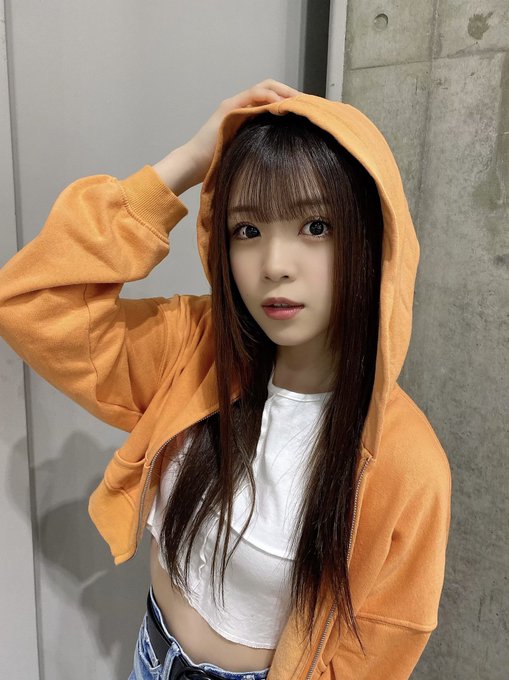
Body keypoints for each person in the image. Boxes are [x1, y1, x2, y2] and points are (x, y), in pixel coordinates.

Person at [0, 79, 452, 680]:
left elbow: (375, 655)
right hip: (149, 655)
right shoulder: (195, 346)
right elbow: (32, 305)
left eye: (316, 226)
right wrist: (188, 161)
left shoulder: (407, 464)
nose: (275, 266)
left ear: (373, 239)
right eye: (248, 230)